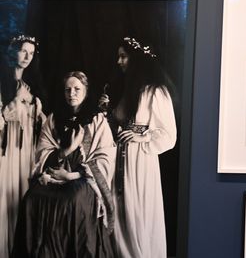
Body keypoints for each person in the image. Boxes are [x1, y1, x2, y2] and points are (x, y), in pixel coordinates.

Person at [12, 71, 116, 257]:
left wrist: (72, 175)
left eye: (77, 89)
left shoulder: (97, 120)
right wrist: (66, 151)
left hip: (83, 179)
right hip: (54, 175)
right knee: (30, 198)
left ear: (85, 91)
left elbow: (105, 157)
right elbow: (42, 153)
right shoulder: (53, 119)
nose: (72, 93)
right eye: (68, 90)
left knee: (72, 199)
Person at [104, 37, 176, 258]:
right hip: (119, 159)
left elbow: (169, 136)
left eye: (123, 56)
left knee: (138, 211)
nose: (119, 61)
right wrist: (107, 111)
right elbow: (117, 126)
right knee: (120, 211)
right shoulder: (126, 90)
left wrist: (141, 136)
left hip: (140, 162)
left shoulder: (156, 92)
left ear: (136, 59)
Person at [0, 34, 47, 258]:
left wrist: (35, 105)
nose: (27, 56)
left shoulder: (34, 85)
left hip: (27, 147)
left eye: (31, 52)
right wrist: (15, 100)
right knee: (5, 194)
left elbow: (43, 123)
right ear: (13, 51)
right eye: (23, 51)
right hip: (6, 147)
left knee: (23, 193)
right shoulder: (2, 82)